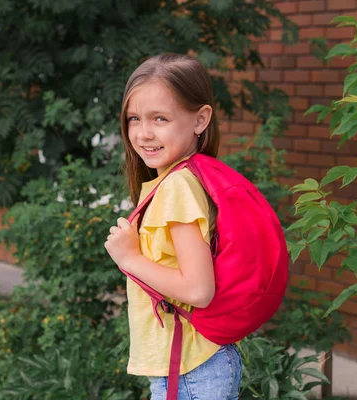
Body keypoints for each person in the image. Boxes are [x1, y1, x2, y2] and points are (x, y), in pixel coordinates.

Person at [104, 53, 242, 400]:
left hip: (192, 370)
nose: (143, 133)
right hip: (188, 368)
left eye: (160, 118)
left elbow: (198, 290)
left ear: (200, 119)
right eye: (134, 118)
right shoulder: (178, 180)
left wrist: (129, 258)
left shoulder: (178, 187)